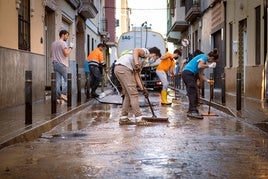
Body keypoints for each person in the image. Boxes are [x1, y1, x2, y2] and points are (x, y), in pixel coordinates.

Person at [114, 47, 161, 125]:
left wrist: (143, 89)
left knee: (129, 94)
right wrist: (136, 63)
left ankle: (123, 118)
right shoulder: (146, 52)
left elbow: (137, 75)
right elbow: (135, 50)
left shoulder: (144, 62)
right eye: (156, 58)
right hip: (124, 68)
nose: (155, 60)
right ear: (153, 54)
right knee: (134, 94)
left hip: (119, 69)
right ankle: (139, 119)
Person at [182, 48, 219, 119]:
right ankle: (192, 111)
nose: (211, 62)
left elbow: (200, 75)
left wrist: (208, 80)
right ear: (211, 57)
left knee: (193, 91)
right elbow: (199, 66)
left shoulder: (203, 61)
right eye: (213, 61)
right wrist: (209, 66)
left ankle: (192, 110)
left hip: (188, 74)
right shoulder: (204, 57)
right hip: (188, 73)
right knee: (192, 91)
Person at [51, 29, 73, 104]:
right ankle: (63, 94)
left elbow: (52, 54)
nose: (67, 38)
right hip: (61, 64)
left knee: (58, 81)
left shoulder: (54, 43)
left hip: (55, 64)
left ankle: (57, 98)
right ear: (63, 35)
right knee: (68, 79)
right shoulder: (63, 43)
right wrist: (71, 47)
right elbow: (66, 54)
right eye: (66, 36)